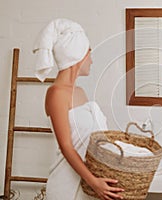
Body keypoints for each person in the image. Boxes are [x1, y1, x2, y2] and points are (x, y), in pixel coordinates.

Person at [33, 18, 124, 200]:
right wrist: (93, 181)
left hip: (88, 184)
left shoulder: (80, 92)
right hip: (67, 187)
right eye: (89, 53)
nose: (91, 59)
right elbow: (66, 146)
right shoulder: (56, 93)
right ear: (77, 55)